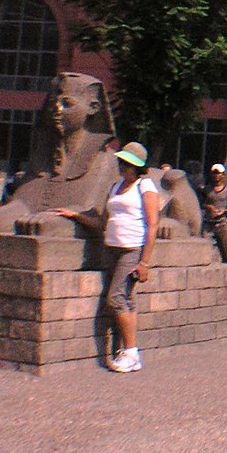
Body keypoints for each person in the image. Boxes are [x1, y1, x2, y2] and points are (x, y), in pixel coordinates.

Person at [55, 142, 157, 373]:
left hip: (132, 249)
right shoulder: (115, 187)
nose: (121, 166)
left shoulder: (145, 186)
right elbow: (103, 222)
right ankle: (129, 352)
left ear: (137, 166)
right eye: (121, 162)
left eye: (126, 163)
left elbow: (152, 225)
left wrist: (145, 262)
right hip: (111, 247)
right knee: (125, 299)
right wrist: (76, 216)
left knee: (116, 298)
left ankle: (131, 352)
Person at [201, 163, 227, 263]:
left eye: (218, 173)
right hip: (208, 222)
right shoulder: (206, 190)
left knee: (225, 249)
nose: (216, 176)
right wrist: (209, 207)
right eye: (214, 173)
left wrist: (225, 211)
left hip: (221, 222)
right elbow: (200, 204)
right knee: (202, 246)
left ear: (223, 175)